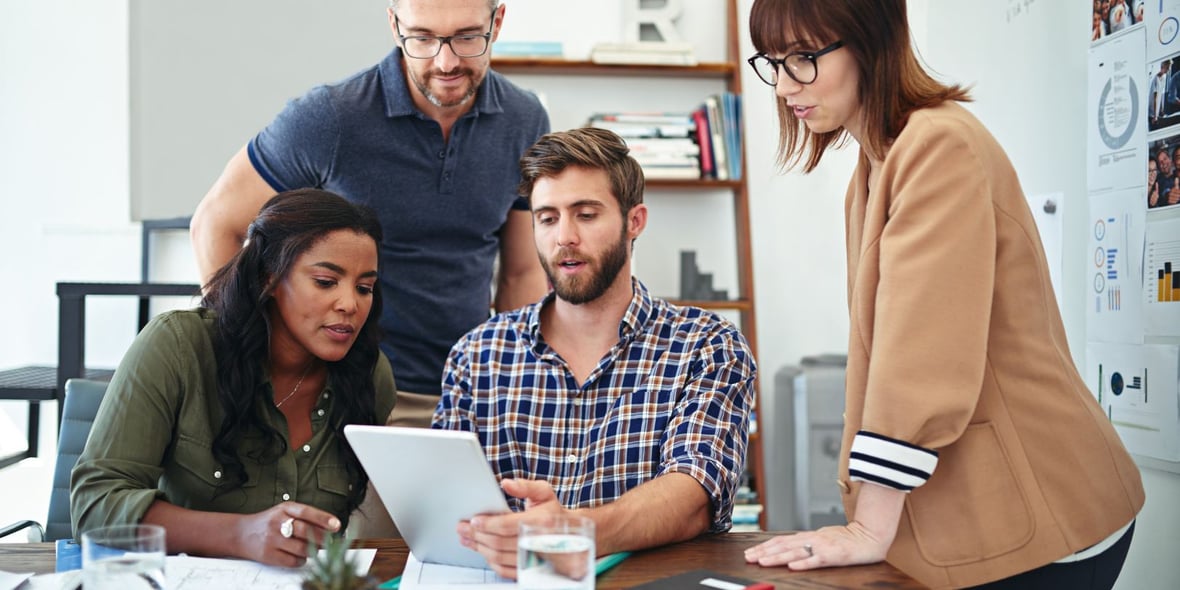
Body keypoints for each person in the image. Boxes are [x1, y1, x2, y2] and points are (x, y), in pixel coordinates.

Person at [743, 2, 1144, 588]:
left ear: (871, 43)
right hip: (985, 505)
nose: (782, 86)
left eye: (803, 59)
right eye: (773, 63)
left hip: (1043, 504)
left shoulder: (937, 146)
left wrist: (869, 529)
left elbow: (918, 357)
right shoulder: (879, 162)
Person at [190, 0, 551, 429]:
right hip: (348, 391)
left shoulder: (525, 120)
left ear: (498, 22)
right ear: (395, 25)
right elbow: (216, 223)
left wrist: (518, 381)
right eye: (423, 38)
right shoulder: (332, 117)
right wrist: (251, 359)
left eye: (468, 37)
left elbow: (521, 273)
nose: (446, 61)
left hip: (472, 390)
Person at [434, 127, 757, 580]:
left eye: (585, 215)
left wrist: (572, 532)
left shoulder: (707, 346)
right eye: (547, 218)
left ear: (634, 221)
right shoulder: (477, 355)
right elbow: (444, 507)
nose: (565, 236)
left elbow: (693, 499)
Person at [72, 189, 396, 567]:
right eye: (326, 281)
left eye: (364, 287)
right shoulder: (178, 348)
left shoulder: (370, 375)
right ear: (268, 278)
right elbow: (96, 502)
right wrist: (240, 534)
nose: (349, 304)